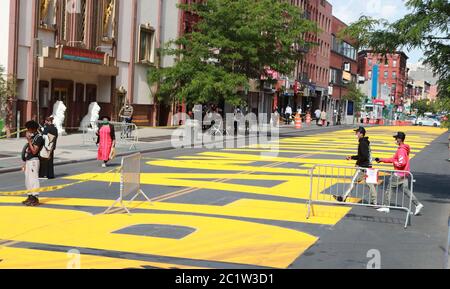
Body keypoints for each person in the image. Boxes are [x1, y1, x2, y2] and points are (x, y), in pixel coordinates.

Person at [375, 132, 424, 215]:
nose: (395, 140)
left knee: (389, 189)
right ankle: (418, 204)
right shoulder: (404, 149)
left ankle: (386, 206)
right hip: (404, 174)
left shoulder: (401, 150)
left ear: (400, 139)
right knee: (406, 191)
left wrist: (394, 162)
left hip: (399, 174)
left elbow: (401, 163)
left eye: (396, 138)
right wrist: (381, 159)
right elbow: (393, 159)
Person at [334, 127, 377, 204]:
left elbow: (363, 156)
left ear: (361, 134)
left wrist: (358, 163)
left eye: (357, 132)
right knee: (370, 184)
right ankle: (374, 201)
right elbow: (362, 155)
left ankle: (343, 197)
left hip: (363, 167)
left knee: (353, 182)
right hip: (368, 166)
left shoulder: (362, 143)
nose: (356, 134)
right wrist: (352, 157)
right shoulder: (365, 142)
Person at [21, 120, 45, 206]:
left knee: (33, 179)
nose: (27, 130)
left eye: (28, 129)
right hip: (29, 160)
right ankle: (30, 196)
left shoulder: (39, 138)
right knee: (27, 179)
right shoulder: (33, 137)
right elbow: (28, 151)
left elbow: (34, 151)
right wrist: (24, 162)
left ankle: (35, 198)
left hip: (34, 161)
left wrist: (29, 141)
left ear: (32, 129)